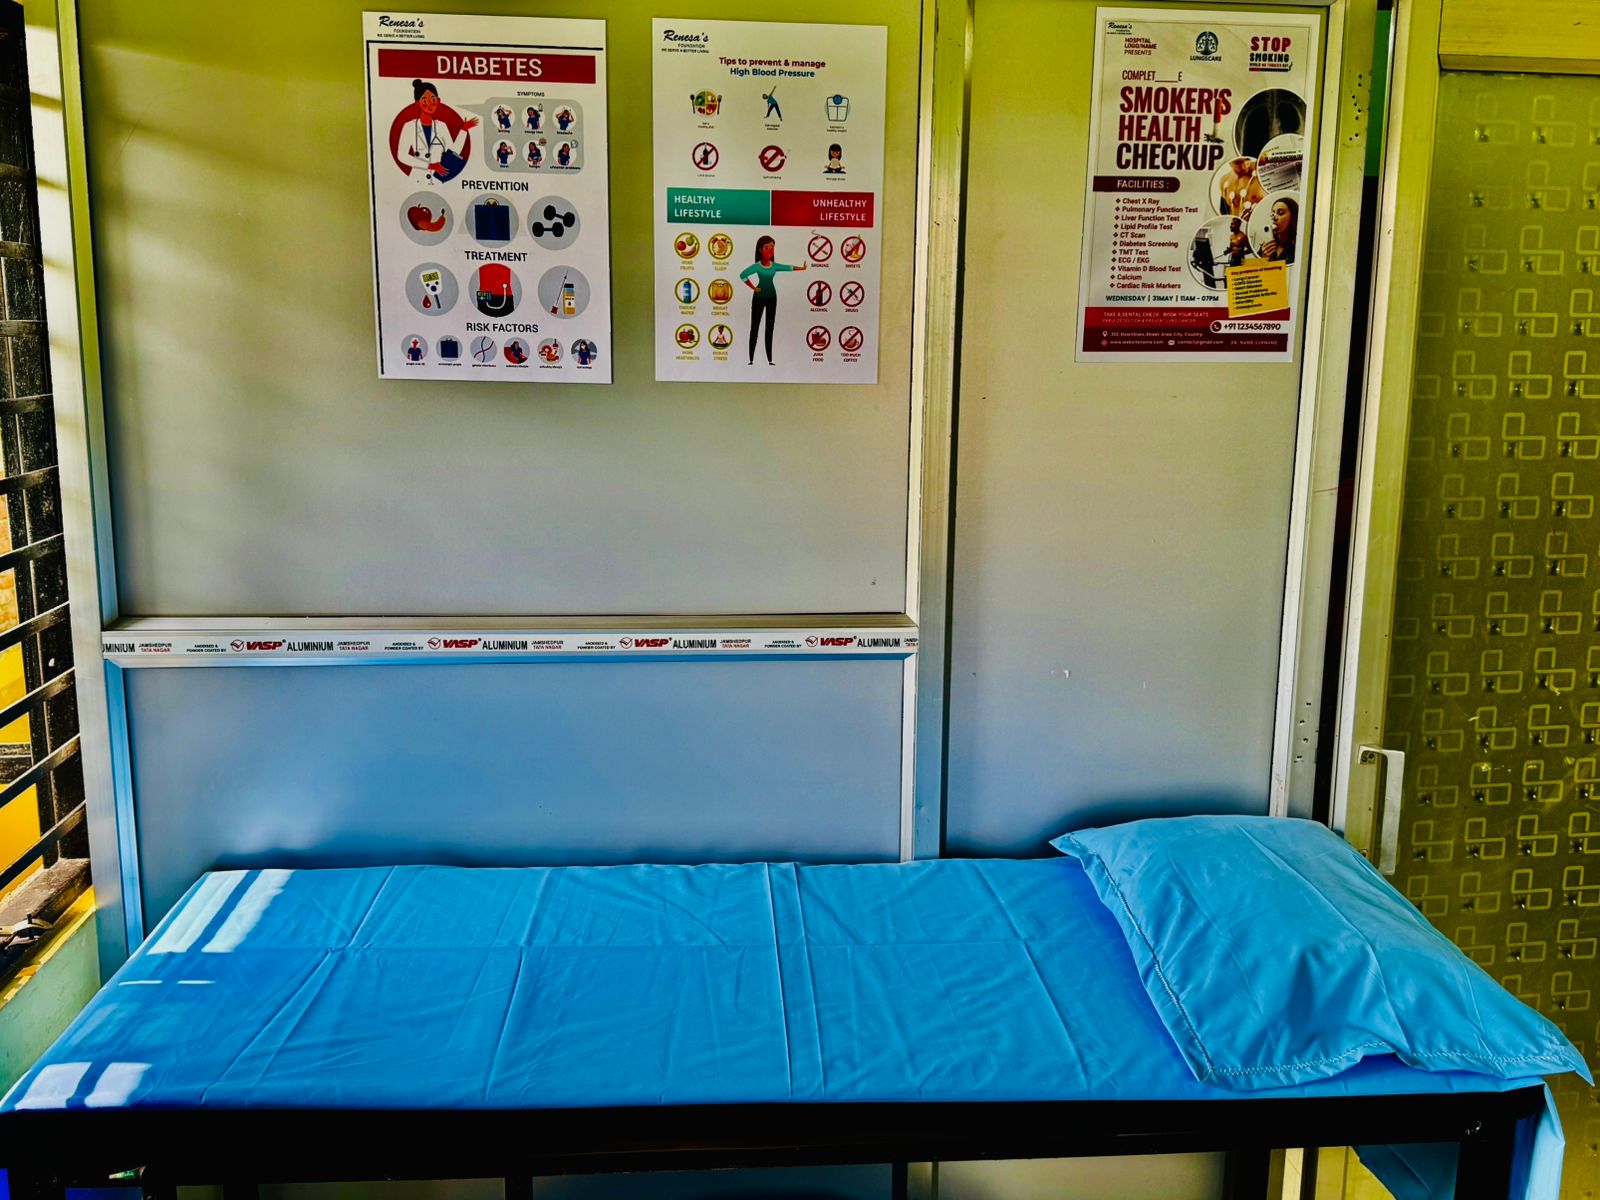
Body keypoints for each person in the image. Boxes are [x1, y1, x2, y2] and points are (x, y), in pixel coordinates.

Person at [390, 79, 478, 183]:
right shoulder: (409, 126)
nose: (430, 104)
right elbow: (402, 156)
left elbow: (453, 152)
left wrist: (464, 129)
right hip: (417, 180)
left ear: (438, 100)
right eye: (425, 101)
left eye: (433, 99)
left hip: (438, 180)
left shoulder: (441, 126)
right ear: (418, 104)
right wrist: (430, 166)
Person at [740, 235, 806, 365]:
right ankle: (751, 359)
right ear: (760, 250)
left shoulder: (774, 266)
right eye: (767, 248)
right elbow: (743, 275)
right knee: (754, 327)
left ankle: (769, 359)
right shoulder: (757, 266)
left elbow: (788, 267)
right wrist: (753, 287)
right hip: (758, 298)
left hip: (772, 298)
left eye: (772, 248)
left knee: (769, 328)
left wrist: (802, 268)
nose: (770, 250)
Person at [1258, 197, 1298, 264]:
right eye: (1273, 213)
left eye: (1280, 213)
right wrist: (1264, 259)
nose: (1274, 217)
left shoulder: (1298, 248)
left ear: (1293, 217)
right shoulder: (1266, 246)